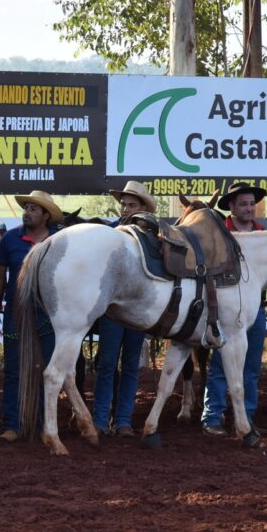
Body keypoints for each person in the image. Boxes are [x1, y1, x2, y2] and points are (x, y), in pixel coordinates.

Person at [201, 182, 267, 436]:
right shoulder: (219, 231)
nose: (249, 209)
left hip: (255, 309)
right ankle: (212, 416)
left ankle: (245, 417)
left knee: (251, 366)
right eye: (244, 204)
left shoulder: (261, 232)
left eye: (252, 204)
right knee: (220, 363)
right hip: (224, 311)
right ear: (231, 207)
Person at [0, 190, 62, 442]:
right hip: (16, 313)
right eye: (26, 207)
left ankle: (43, 424)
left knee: (46, 369)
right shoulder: (10, 239)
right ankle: (12, 425)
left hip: (49, 316)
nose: (26, 212)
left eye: (33, 209)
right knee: (14, 369)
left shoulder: (59, 240)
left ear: (46, 215)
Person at [93, 180, 155, 438]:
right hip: (112, 310)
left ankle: (123, 421)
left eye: (131, 205)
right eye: (123, 204)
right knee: (106, 363)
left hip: (138, 311)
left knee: (130, 365)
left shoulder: (152, 239)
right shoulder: (106, 234)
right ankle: (99, 420)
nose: (125, 209)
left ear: (142, 208)